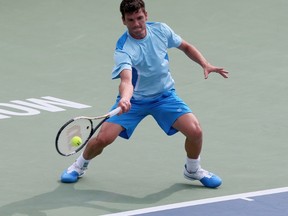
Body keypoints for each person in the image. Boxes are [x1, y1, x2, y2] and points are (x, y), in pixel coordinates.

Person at [60, 0, 228, 188]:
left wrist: (204, 63)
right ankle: (79, 166)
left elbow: (186, 47)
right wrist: (125, 99)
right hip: (134, 101)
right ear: (123, 21)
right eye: (131, 20)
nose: (137, 24)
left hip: (164, 96)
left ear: (146, 15)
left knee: (195, 131)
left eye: (139, 18)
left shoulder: (161, 30)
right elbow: (126, 80)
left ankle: (193, 169)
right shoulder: (124, 48)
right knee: (103, 139)